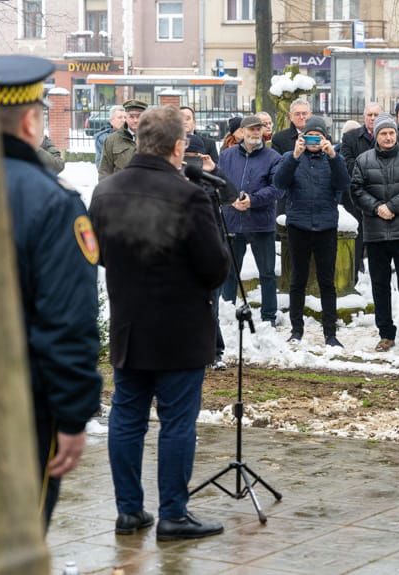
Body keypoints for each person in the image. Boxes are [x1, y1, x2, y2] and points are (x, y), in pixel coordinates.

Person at [90, 104, 229, 541]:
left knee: (126, 418)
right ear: (177, 146)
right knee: (176, 423)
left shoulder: (106, 191)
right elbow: (214, 268)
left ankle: (129, 512)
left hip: (130, 324)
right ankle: (173, 513)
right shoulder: (189, 194)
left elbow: (96, 253)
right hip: (180, 329)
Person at [0, 54, 102, 527]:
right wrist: (73, 416)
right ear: (30, 119)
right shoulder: (53, 202)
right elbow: (66, 321)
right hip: (19, 410)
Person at [350, 113, 399, 356]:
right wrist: (376, 208)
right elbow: (356, 189)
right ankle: (386, 334)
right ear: (376, 135)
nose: (388, 137)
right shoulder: (364, 160)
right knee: (380, 286)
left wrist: (392, 207)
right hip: (375, 234)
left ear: (396, 134)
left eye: (391, 133)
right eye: (383, 133)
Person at [274, 116, 349, 346]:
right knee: (298, 280)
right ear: (302, 137)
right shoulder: (291, 157)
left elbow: (344, 184)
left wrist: (334, 157)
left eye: (319, 136)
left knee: (327, 282)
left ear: (326, 137)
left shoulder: (334, 158)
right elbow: (279, 183)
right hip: (299, 225)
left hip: (326, 226)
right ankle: (296, 330)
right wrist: (295, 156)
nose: (314, 140)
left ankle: (330, 334)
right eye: (310, 136)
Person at [219, 115, 284, 325]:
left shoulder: (273, 156)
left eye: (259, 129)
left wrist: (253, 201)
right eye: (251, 129)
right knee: (230, 272)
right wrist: (231, 201)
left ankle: (269, 317)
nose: (255, 133)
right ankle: (227, 313)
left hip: (260, 222)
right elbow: (220, 183)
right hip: (232, 220)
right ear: (242, 131)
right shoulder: (227, 155)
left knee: (266, 273)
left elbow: (277, 188)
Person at [184, 134, 234, 371]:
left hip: (211, 247)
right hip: (183, 249)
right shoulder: (174, 179)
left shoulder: (210, 178)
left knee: (210, 304)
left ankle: (214, 351)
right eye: (187, 158)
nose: (191, 162)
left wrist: (214, 170)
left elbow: (231, 195)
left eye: (195, 157)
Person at [341, 102, 383, 274]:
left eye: (376, 115)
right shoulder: (350, 137)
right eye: (369, 115)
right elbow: (347, 162)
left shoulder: (389, 136)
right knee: (356, 238)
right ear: (364, 117)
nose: (372, 118)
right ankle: (354, 273)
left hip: (382, 196)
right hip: (356, 196)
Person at [99, 99, 146, 180]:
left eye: (139, 116)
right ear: (126, 117)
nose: (135, 120)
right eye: (131, 116)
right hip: (120, 190)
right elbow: (105, 171)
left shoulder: (153, 139)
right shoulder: (112, 140)